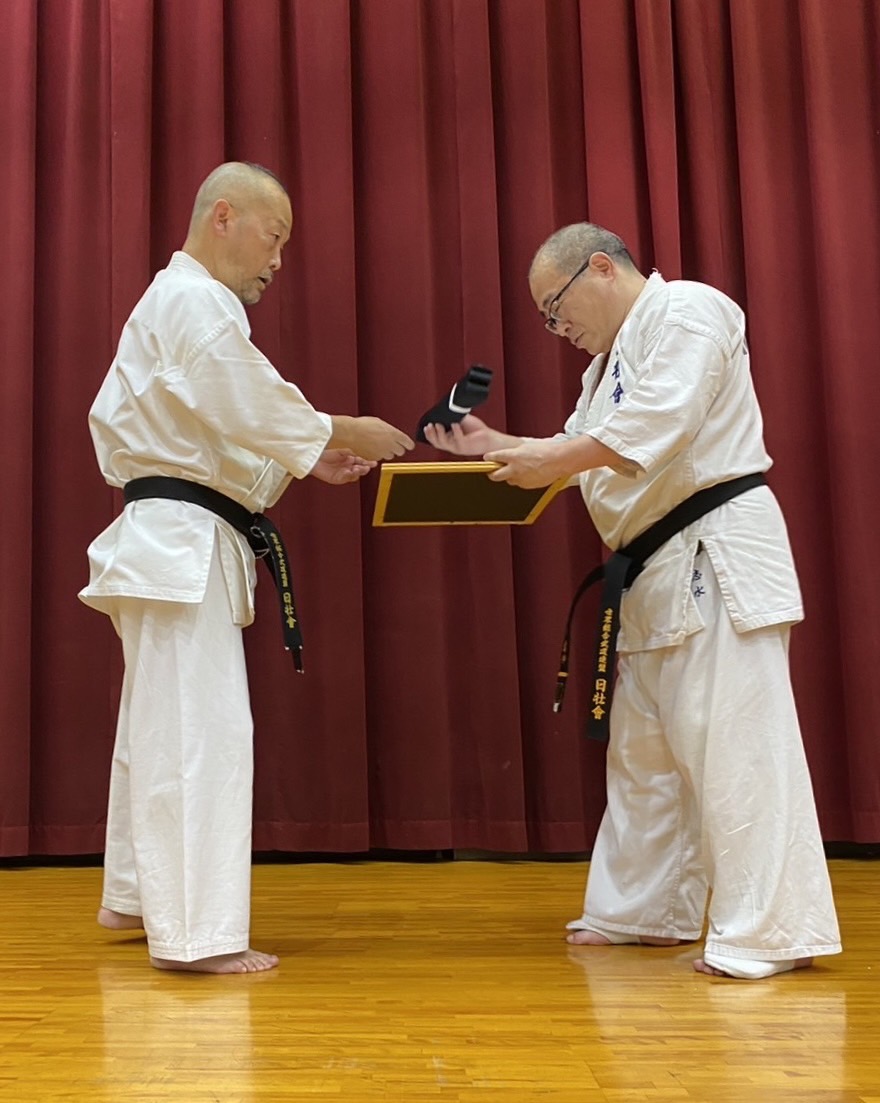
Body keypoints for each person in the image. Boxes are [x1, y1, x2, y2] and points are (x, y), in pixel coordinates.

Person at [424, 222, 841, 979]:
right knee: (647, 752)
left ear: (600, 269)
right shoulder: (603, 372)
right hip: (652, 566)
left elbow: (661, 421)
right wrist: (492, 444)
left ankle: (772, 931)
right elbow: (579, 457)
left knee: (735, 744)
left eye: (555, 308)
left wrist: (552, 453)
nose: (557, 329)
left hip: (715, 546)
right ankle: (644, 911)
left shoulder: (689, 310)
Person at [79, 162, 414, 974]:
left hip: (174, 538)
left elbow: (221, 424)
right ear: (224, 215)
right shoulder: (194, 299)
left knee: (157, 727)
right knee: (199, 734)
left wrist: (309, 456)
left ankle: (133, 891)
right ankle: (195, 935)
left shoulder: (183, 303)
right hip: (177, 543)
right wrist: (341, 429)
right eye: (275, 236)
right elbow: (240, 396)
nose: (278, 259)